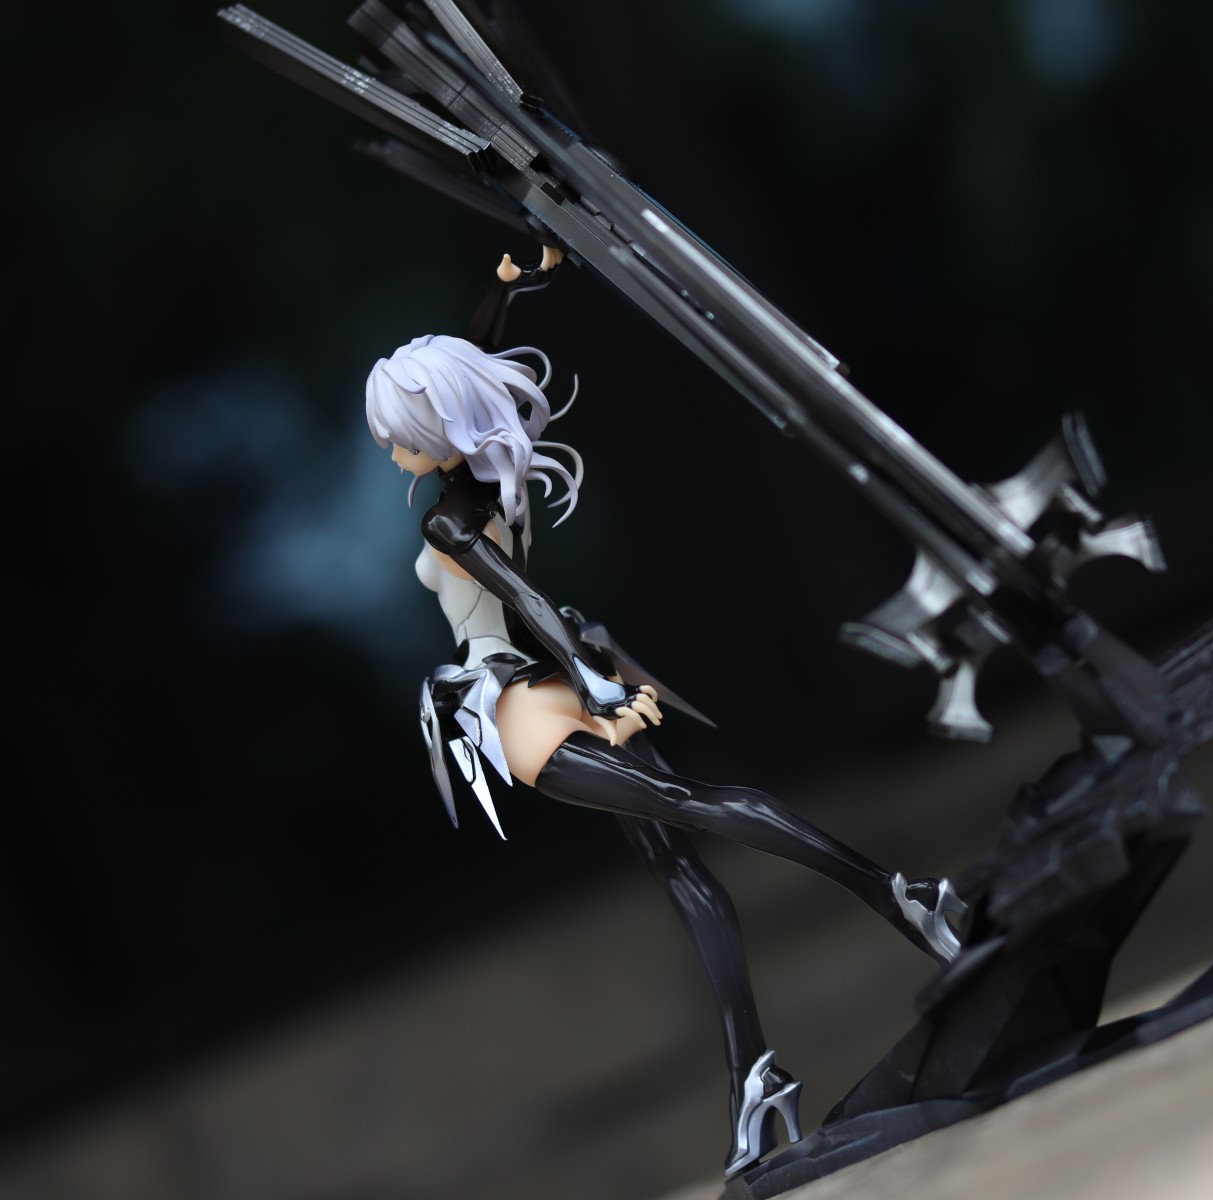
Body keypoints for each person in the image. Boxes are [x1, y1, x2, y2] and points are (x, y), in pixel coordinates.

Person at [367, 252, 964, 1177]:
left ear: (437, 427)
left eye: (399, 434)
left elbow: (523, 598)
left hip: (521, 700)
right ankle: (756, 1077)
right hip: (564, 670)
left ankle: (899, 895)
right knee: (681, 865)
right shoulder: (485, 480)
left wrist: (591, 682)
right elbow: (470, 367)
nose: (391, 451)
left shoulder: (448, 519)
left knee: (692, 814)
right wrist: (506, 287)